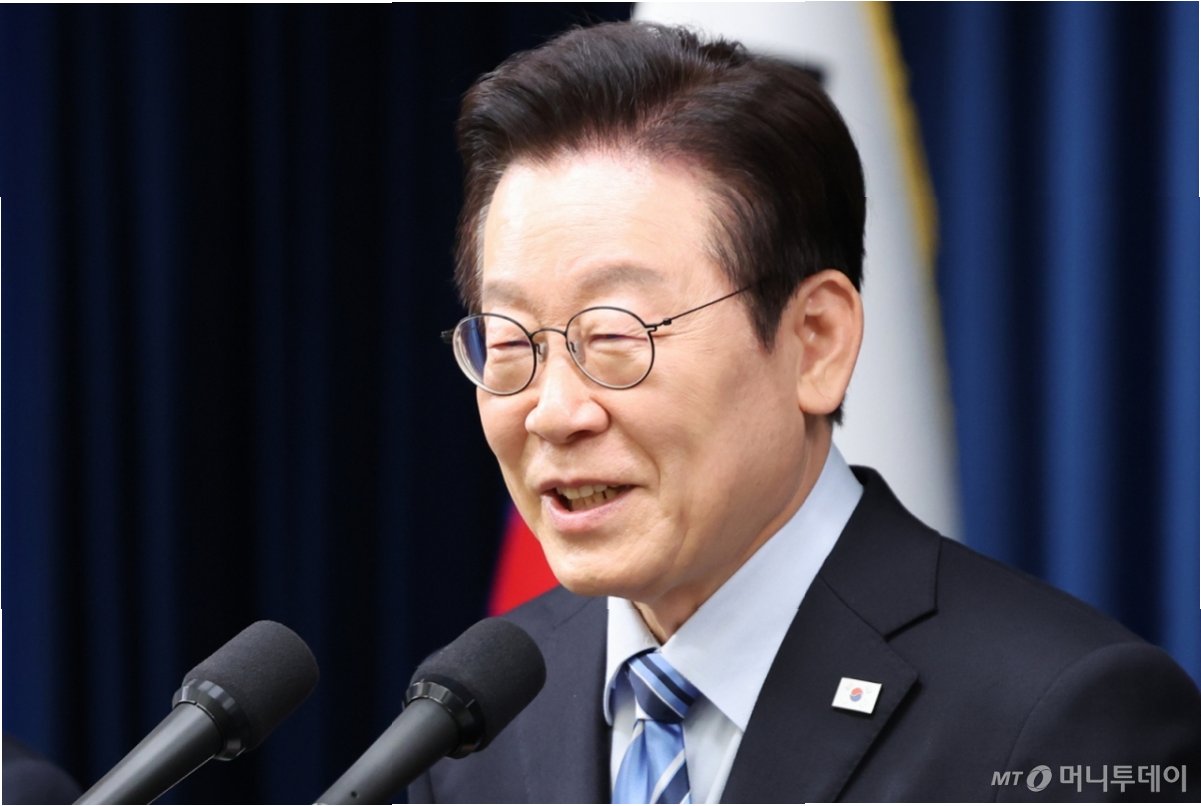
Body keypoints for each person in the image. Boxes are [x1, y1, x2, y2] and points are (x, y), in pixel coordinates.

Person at [411, 20, 1201, 803]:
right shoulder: (471, 725)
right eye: (509, 340)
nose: (553, 413)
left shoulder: (1061, 719)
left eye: (615, 336)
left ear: (815, 342)